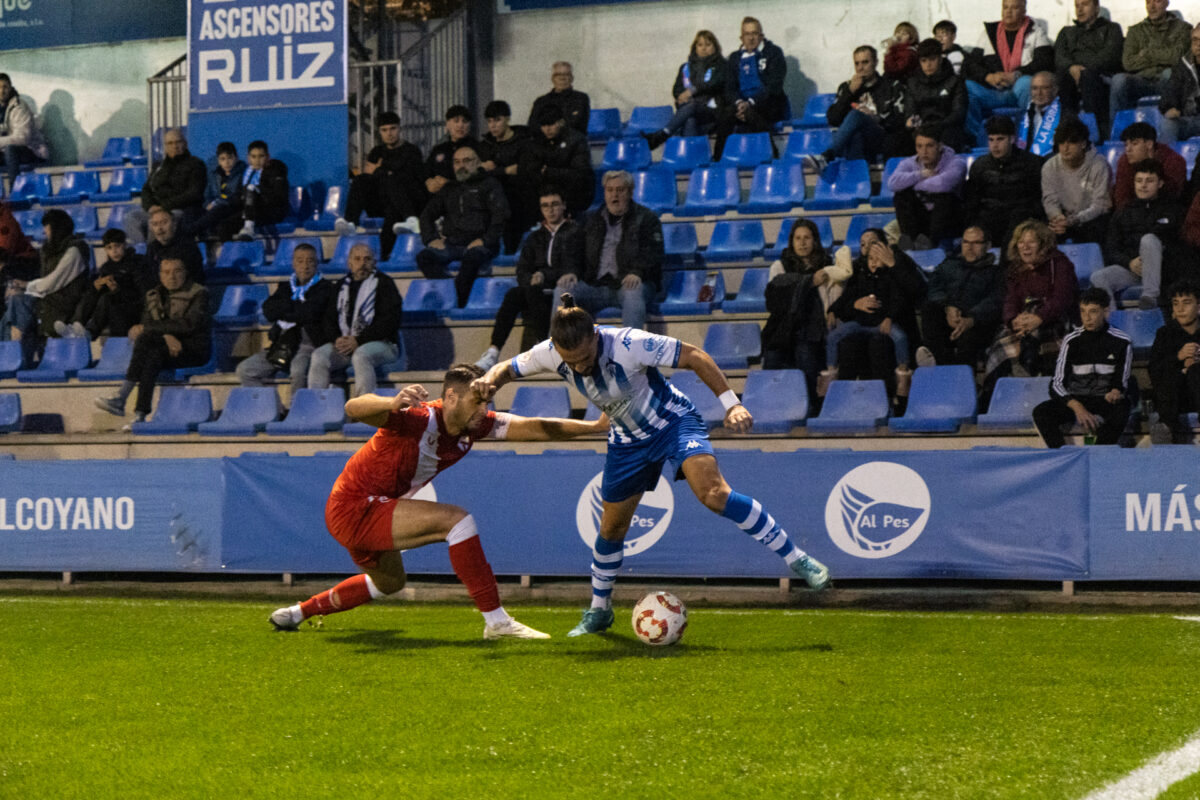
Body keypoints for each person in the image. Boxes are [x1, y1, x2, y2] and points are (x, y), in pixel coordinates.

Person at [472, 297, 832, 637]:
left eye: (584, 358)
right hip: (627, 442)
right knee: (611, 529)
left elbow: (695, 356)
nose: (579, 367)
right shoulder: (551, 353)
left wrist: (731, 404)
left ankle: (799, 560)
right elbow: (508, 368)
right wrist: (490, 380)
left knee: (713, 493)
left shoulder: (629, 343)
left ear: (595, 335)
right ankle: (599, 610)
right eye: (571, 363)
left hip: (673, 424)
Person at [269, 364, 609, 638]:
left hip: (368, 510)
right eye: (477, 402)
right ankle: (497, 622)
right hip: (355, 506)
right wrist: (391, 402)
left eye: (486, 402)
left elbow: (536, 427)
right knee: (457, 521)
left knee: (390, 583)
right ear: (450, 397)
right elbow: (352, 407)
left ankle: (299, 613)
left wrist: (593, 426)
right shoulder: (417, 418)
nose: (484, 410)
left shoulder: (474, 424)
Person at [94, 256, 211, 428]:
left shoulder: (199, 293)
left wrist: (158, 332)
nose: (171, 277)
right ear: (160, 275)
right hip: (163, 347)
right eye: (166, 272)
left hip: (192, 350)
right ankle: (140, 413)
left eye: (177, 271)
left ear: (185, 273)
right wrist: (166, 336)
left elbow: (189, 325)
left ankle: (123, 397)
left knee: (147, 339)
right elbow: (150, 324)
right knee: (152, 354)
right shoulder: (153, 295)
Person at [475, 187, 581, 370]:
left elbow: (575, 265)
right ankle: (493, 352)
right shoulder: (534, 237)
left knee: (533, 292)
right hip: (536, 289)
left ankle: (546, 347)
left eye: (555, 204)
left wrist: (544, 275)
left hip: (560, 289)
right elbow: (522, 269)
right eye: (545, 206)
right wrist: (530, 278)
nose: (550, 209)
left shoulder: (576, 233)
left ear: (564, 206)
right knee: (513, 294)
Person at [823, 228, 926, 407]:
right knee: (847, 343)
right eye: (863, 245)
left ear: (884, 245)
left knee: (879, 344)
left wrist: (893, 265)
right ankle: (840, 399)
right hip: (863, 324)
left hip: (893, 324)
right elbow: (846, 301)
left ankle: (891, 400)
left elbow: (917, 292)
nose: (868, 248)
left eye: (873, 243)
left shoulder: (898, 260)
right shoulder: (858, 268)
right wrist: (851, 305)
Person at [554, 170, 663, 330]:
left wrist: (637, 271)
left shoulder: (647, 218)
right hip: (595, 285)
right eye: (610, 190)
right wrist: (571, 271)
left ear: (631, 192)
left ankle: (631, 350)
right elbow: (574, 250)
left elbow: (654, 252)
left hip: (627, 284)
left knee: (633, 291)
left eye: (620, 190)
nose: (615, 195)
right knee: (563, 290)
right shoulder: (590, 219)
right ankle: (559, 348)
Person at [981, 220, 1079, 393]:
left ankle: (1030, 381)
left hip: (1053, 318)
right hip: (1024, 321)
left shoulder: (1060, 264)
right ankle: (996, 393)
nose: (1025, 247)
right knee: (1000, 344)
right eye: (1021, 242)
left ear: (1042, 244)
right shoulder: (1014, 269)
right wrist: (1013, 320)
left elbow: (1062, 299)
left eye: (1031, 242)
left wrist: (1039, 317)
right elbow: (1010, 300)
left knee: (1033, 336)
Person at [1032, 286, 1131, 447]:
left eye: (1093, 311)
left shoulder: (1122, 341)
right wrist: (1077, 407)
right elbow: (1057, 384)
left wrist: (1115, 391)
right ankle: (1059, 455)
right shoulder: (1071, 340)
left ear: (1105, 312)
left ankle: (1101, 452)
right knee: (1041, 412)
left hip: (1103, 399)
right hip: (1076, 399)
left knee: (1123, 407)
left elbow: (1122, 380)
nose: (1087, 317)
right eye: (1083, 311)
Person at [760, 218, 847, 400]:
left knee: (806, 352)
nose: (802, 243)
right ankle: (771, 403)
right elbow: (775, 301)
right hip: (784, 327)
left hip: (814, 327)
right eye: (798, 238)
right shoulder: (780, 266)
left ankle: (811, 404)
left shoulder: (827, 266)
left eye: (807, 238)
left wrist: (834, 310)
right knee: (774, 356)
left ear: (814, 240)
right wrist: (809, 282)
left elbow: (838, 297)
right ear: (792, 241)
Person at [236, 242, 335, 396]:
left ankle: (298, 411)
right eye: (300, 261)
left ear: (317, 264)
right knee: (245, 370)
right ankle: (276, 408)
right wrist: (295, 307)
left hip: (308, 346)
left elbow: (310, 313)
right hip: (282, 344)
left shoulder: (326, 287)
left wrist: (285, 309)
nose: (305, 266)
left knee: (297, 371)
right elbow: (269, 310)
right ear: (293, 264)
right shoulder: (286, 287)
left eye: (310, 261)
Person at [416, 145, 510, 308]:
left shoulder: (490, 184)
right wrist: (431, 239)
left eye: (467, 161)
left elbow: (501, 216)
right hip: (452, 243)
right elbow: (426, 215)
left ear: (478, 163)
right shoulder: (449, 188)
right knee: (424, 257)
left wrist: (485, 240)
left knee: (471, 259)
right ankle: (449, 292)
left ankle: (457, 304)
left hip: (481, 244)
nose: (461, 166)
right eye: (457, 162)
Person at [308, 243, 403, 397]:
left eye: (367, 259)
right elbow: (329, 319)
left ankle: (365, 409)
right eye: (357, 259)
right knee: (319, 355)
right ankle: (318, 406)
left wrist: (359, 340)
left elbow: (390, 321)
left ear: (374, 262)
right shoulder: (340, 286)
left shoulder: (385, 284)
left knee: (361, 354)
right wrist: (337, 339)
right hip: (347, 344)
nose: (362, 264)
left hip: (384, 344)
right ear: (349, 263)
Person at [0, 208, 89, 365]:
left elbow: (53, 282)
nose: (44, 232)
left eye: (47, 228)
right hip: (48, 296)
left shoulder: (75, 250)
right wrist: (21, 287)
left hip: (65, 299)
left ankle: (15, 347)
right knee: (15, 300)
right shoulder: (47, 250)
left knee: (20, 305)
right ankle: (15, 348)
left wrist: (26, 286)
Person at [336, 111, 428, 260]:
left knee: (392, 184)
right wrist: (387, 172)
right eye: (384, 130)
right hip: (381, 201)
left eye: (393, 128)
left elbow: (409, 180)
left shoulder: (411, 151)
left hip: (407, 202)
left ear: (399, 129)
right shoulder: (376, 152)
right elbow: (370, 177)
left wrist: (380, 170)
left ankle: (411, 220)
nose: (389, 133)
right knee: (361, 179)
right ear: (379, 132)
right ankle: (351, 222)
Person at [1095, 159, 1184, 310]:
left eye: (1149, 181)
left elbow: (1175, 244)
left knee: (1149, 240)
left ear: (1160, 183)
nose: (1143, 185)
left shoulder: (1173, 209)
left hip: (1163, 269)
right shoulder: (1124, 211)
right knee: (1099, 277)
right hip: (1135, 269)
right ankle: (1113, 322)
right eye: (1139, 181)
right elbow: (1112, 249)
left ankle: (1150, 296)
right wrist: (1129, 262)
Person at [962, 0, 1053, 146]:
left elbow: (1045, 61)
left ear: (1024, 11)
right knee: (967, 86)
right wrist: (988, 76)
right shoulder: (989, 32)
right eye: (1005, 7)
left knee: (1029, 82)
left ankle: (1027, 136)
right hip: (994, 91)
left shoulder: (1035, 30)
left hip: (1019, 89)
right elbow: (970, 65)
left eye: (1014, 8)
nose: (1008, 11)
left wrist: (1017, 74)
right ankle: (971, 139)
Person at [916, 226, 1005, 367]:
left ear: (988, 246)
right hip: (949, 316)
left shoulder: (996, 272)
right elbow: (934, 288)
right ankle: (939, 365)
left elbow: (995, 300)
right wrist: (948, 307)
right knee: (929, 309)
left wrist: (971, 318)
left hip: (976, 323)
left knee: (969, 336)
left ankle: (963, 378)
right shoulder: (949, 264)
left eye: (976, 243)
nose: (969, 247)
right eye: (966, 242)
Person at [809, 45, 908, 171]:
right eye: (857, 63)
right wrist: (850, 93)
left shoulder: (892, 86)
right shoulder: (847, 87)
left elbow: (900, 120)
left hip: (884, 138)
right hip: (857, 141)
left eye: (865, 62)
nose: (860, 68)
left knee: (856, 115)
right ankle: (857, 183)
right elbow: (833, 119)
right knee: (856, 134)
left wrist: (876, 118)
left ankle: (828, 156)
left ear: (875, 62)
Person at [713, 17, 788, 159]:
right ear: (741, 38)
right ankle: (718, 160)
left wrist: (751, 103)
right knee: (726, 114)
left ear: (761, 35)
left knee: (751, 113)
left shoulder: (774, 53)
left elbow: (774, 86)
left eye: (754, 33)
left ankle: (773, 154)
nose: (751, 38)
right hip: (741, 104)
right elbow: (729, 88)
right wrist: (740, 103)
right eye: (747, 34)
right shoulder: (734, 58)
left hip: (768, 103)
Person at [57, 228, 152, 340]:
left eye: (117, 246)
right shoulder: (106, 268)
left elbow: (142, 292)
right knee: (92, 291)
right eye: (109, 248)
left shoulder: (137, 262)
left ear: (124, 245)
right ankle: (75, 325)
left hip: (134, 305)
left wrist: (117, 290)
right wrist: (96, 287)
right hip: (114, 303)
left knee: (107, 298)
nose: (114, 251)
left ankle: (90, 332)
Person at [965, 115, 1045, 246]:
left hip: (1021, 219)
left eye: (1000, 139)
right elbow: (972, 202)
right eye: (991, 140)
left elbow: (1038, 199)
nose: (995, 145)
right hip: (990, 219)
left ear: (1012, 139)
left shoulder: (1033, 164)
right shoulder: (980, 166)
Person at [643, 30, 730, 149]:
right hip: (689, 111)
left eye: (708, 44)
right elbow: (677, 89)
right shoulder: (685, 67)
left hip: (712, 113)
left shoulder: (722, 65)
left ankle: (662, 135)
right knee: (690, 119)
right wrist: (680, 96)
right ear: (695, 47)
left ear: (715, 47)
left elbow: (713, 84)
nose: (704, 48)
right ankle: (691, 158)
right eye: (700, 45)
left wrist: (691, 91)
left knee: (692, 106)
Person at [887, 124, 967, 249]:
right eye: (919, 146)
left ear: (940, 146)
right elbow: (892, 184)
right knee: (901, 195)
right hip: (922, 218)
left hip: (949, 220)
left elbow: (943, 184)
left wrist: (914, 184)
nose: (924, 152)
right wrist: (921, 174)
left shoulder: (956, 162)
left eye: (929, 146)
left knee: (945, 197)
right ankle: (910, 239)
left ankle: (933, 242)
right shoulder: (909, 163)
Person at [1054, 0, 1124, 139]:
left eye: (1084, 5)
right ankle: (1066, 133)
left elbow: (1110, 56)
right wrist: (1072, 67)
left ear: (1097, 8)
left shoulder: (1112, 28)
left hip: (1101, 76)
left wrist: (1083, 69)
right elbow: (1059, 57)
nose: (1080, 9)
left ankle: (1095, 132)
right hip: (1072, 76)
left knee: (1088, 76)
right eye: (1077, 6)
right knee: (1062, 77)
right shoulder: (1066, 32)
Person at [125, 128, 206, 244]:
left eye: (178, 142)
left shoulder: (196, 164)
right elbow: (146, 189)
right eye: (170, 143)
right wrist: (150, 206)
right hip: (156, 209)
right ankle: (142, 252)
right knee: (130, 217)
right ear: (165, 147)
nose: (175, 146)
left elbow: (193, 193)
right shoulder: (159, 166)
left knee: (156, 222)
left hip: (180, 210)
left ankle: (153, 255)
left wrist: (163, 207)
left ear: (185, 144)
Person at [1111, 0, 1191, 117]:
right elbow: (1128, 63)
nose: (1152, 7)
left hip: (1168, 81)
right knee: (1118, 80)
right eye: (1148, 2)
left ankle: (1173, 126)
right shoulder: (1135, 31)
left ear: (1166, 3)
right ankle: (1118, 129)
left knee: (1171, 73)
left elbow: (1176, 58)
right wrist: (1163, 57)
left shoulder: (1183, 29)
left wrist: (1147, 53)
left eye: (1157, 1)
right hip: (1141, 80)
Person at [1042, 116, 1113, 245]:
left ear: (1083, 144)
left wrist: (1074, 220)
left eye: (1071, 142)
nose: (1065, 148)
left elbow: (1100, 206)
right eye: (1062, 143)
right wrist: (1057, 218)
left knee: (1100, 226)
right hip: (1064, 219)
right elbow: (1050, 200)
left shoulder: (1099, 165)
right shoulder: (1049, 166)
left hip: (1091, 220)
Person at [520, 103, 593, 221]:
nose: (547, 129)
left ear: (561, 122)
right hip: (544, 194)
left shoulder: (576, 140)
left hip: (573, 197)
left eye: (551, 124)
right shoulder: (536, 142)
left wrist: (549, 172)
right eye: (543, 125)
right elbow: (530, 171)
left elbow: (580, 175)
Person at [478, 100, 533, 253]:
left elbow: (522, 172)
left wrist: (493, 170)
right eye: (489, 121)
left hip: (517, 200)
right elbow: (477, 173)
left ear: (507, 119)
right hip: (492, 200)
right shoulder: (485, 145)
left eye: (497, 120)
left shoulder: (523, 143)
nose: (493, 125)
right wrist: (505, 170)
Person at [1148, 280, 1200, 443]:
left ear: (1199, 306)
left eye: (1186, 303)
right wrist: (1178, 358)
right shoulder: (1164, 334)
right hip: (1176, 397)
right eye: (1175, 303)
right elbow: (1154, 371)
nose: (1180, 309)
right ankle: (1166, 428)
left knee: (1195, 371)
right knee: (1173, 376)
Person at [903, 38, 969, 152]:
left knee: (948, 138)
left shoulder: (955, 81)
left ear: (940, 59)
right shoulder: (912, 83)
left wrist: (937, 126)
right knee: (898, 141)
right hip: (921, 129)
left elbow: (959, 113)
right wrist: (911, 123)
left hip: (947, 128)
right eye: (923, 61)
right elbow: (910, 111)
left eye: (932, 59)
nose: (928, 64)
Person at [222, 139, 289, 241]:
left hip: (269, 210)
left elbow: (278, 197)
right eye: (254, 157)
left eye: (261, 156)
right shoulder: (246, 173)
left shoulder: (274, 169)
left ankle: (249, 228)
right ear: (248, 158)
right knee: (223, 222)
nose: (257, 160)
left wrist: (258, 189)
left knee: (251, 188)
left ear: (268, 157)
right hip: (249, 210)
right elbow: (238, 195)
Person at [1112, 121, 1187, 211]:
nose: (1128, 149)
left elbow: (1171, 195)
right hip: (1132, 214)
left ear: (1149, 144)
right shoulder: (1125, 160)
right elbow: (1122, 198)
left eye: (1134, 143)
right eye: (1126, 145)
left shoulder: (1174, 161)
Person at [189, 141, 245, 240]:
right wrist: (207, 204)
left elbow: (236, 198)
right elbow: (207, 194)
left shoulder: (243, 173)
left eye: (230, 158)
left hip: (231, 208)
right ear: (218, 161)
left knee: (218, 210)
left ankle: (192, 230)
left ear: (236, 158)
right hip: (213, 208)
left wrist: (216, 203)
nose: (227, 162)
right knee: (190, 212)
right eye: (223, 159)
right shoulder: (214, 174)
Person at [0, 73, 48, 185]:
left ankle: (14, 194)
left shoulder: (19, 106)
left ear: (10, 88)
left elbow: (22, 139)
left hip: (33, 151)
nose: (1, 91)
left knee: (11, 149)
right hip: (8, 152)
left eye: (5, 87)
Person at [425, 105, 478, 197]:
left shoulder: (476, 148)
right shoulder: (439, 149)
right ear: (447, 124)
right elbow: (426, 171)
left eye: (464, 121)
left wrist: (449, 184)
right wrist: (428, 182)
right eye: (456, 121)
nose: (460, 125)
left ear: (470, 124)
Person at [1160, 23, 1200, 143]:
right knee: (1169, 124)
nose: (1198, 45)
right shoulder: (1183, 65)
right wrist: (1170, 108)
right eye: (1195, 40)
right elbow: (1170, 93)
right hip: (1190, 119)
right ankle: (1168, 161)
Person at [145, 207, 205, 286]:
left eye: (164, 223)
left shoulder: (187, 246)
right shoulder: (152, 248)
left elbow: (196, 277)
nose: (160, 228)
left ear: (174, 225)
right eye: (155, 224)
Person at [527, 61, 591, 136]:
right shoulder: (541, 101)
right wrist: (547, 130)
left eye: (566, 74)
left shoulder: (581, 98)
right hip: (546, 142)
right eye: (558, 75)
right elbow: (532, 125)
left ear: (572, 78)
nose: (562, 78)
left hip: (572, 142)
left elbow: (577, 123)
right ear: (552, 79)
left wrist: (555, 127)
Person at [1017, 72, 1064, 156]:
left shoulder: (1064, 115)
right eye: (1035, 88)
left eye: (1044, 88)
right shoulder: (1024, 115)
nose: (1039, 93)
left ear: (1055, 90)